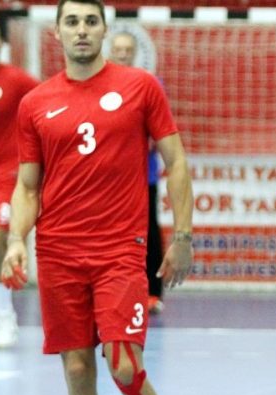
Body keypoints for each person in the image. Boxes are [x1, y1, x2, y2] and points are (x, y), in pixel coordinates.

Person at [0, 1, 193, 395]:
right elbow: (28, 187)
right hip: (58, 252)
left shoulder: (140, 86)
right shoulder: (35, 103)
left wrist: (183, 237)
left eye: (91, 21)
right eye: (72, 22)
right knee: (76, 367)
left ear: (105, 30)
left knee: (124, 366)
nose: (82, 29)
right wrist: (17, 239)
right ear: (58, 32)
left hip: (120, 249)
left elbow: (176, 162)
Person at [0, 19, 38, 348]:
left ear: (1, 43)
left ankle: (7, 315)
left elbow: (48, 101)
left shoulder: (16, 80)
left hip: (5, 176)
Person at [109, 30, 166, 314]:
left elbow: (160, 129)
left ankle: (153, 292)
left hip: (144, 173)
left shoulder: (150, 84)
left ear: (135, 53)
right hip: (108, 176)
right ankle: (112, 290)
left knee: (148, 230)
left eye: (127, 50)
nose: (122, 54)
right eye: (118, 49)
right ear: (111, 52)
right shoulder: (100, 85)